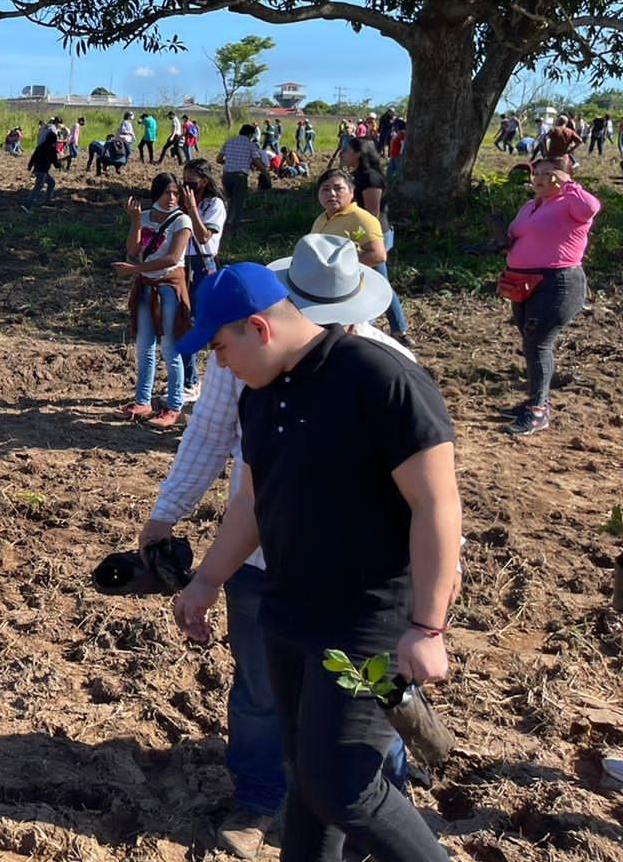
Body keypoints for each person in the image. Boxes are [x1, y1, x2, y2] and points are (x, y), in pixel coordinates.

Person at [173, 263, 460, 862]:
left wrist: (428, 627)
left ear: (259, 328)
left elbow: (436, 504)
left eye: (222, 348)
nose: (220, 365)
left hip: (371, 623)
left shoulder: (380, 380)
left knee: (346, 788)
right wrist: (206, 580)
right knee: (307, 774)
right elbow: (253, 501)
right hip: (290, 612)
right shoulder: (261, 396)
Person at [498, 158, 601, 435]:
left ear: (562, 177)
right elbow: (517, 235)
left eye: (548, 173)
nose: (540, 178)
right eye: (537, 173)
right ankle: (535, 400)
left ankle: (538, 410)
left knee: (538, 343)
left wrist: (569, 185)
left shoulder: (571, 203)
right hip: (523, 282)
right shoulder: (530, 205)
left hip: (558, 282)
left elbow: (592, 207)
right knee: (530, 342)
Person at [113, 173, 193, 425]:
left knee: (171, 347)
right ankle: (142, 401)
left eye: (175, 193)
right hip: (147, 286)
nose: (171, 198)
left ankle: (174, 407)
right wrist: (136, 221)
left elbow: (172, 258)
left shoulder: (182, 221)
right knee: (144, 345)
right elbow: (133, 250)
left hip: (169, 286)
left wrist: (134, 270)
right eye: (167, 192)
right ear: (155, 192)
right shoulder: (145, 216)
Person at [340, 139, 411, 346]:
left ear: (359, 153)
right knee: (374, 281)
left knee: (377, 283)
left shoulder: (370, 178)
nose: (343, 153)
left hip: (376, 236)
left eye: (347, 150)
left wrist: (362, 241)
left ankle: (383, 328)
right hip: (365, 236)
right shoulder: (357, 177)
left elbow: (372, 214)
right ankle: (397, 329)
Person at [177, 159, 226, 402]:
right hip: (183, 264)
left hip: (203, 264)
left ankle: (193, 383)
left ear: (205, 181)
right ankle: (189, 380)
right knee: (183, 322)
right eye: (184, 181)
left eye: (192, 183)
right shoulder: (186, 204)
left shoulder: (214, 204)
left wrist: (192, 208)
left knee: (195, 324)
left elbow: (205, 237)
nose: (187, 187)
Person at [311, 167, 387, 269]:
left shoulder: (361, 218)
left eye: (338, 188)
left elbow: (378, 255)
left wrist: (336, 265)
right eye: (325, 189)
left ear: (351, 191)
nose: (332, 194)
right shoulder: (321, 219)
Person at [219, 124, 262, 215]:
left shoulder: (229, 141)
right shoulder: (251, 145)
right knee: (238, 204)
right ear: (250, 134)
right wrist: (265, 172)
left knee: (229, 201)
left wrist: (228, 162)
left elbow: (218, 159)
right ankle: (234, 226)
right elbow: (257, 161)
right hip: (240, 176)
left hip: (226, 176)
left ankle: (225, 222)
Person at [21, 133, 61, 211]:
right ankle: (27, 205)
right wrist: (60, 165)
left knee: (51, 183)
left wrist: (30, 166)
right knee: (38, 187)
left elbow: (33, 156)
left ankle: (47, 201)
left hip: (37, 170)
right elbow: (55, 163)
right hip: (42, 171)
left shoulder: (40, 146)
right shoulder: (51, 149)